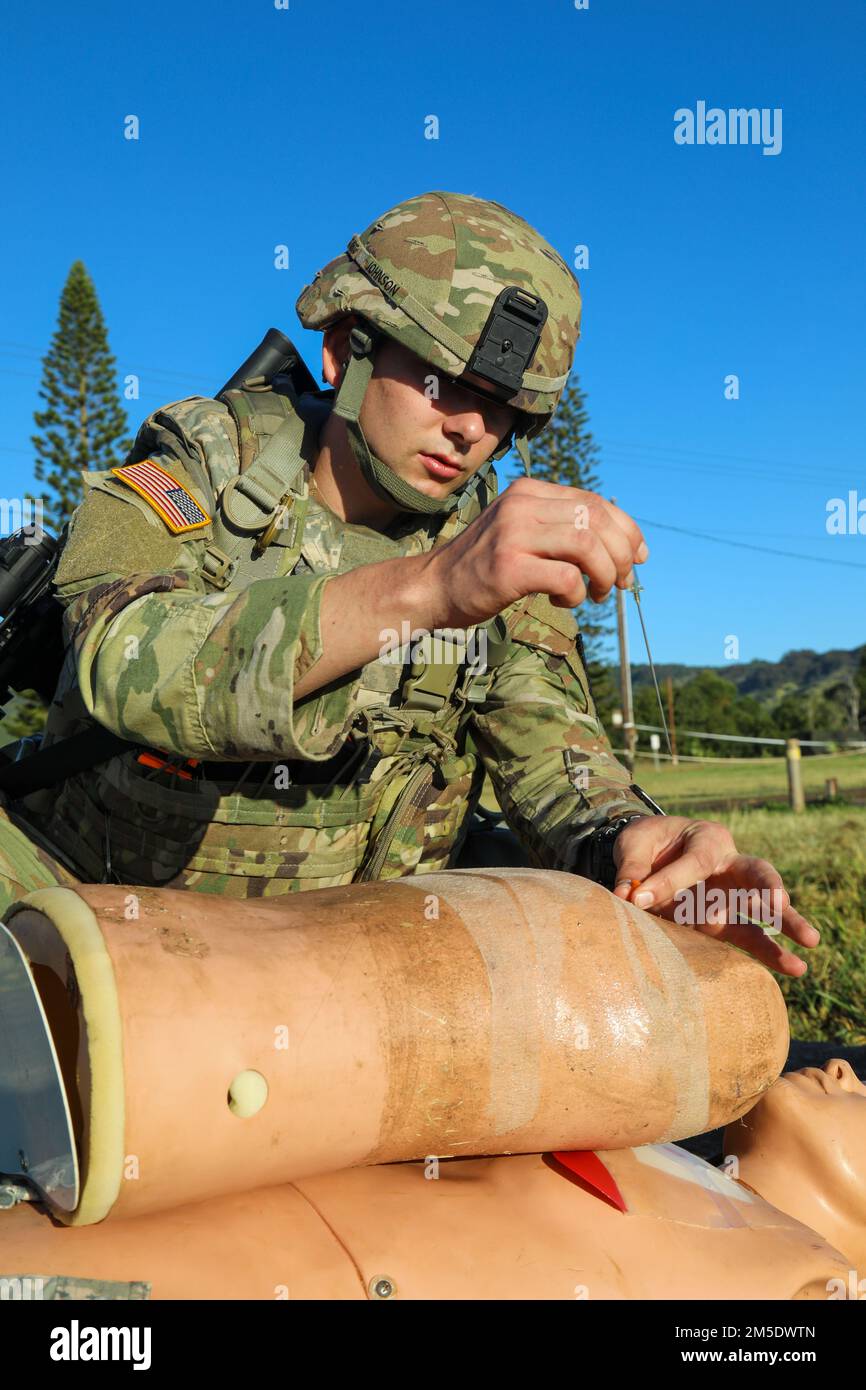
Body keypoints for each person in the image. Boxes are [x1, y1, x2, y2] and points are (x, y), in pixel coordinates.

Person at [0, 190, 817, 976]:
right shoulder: (202, 465)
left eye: (501, 407)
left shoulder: (491, 548)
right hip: (88, 918)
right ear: (344, 348)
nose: (469, 426)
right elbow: (128, 663)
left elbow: (549, 753)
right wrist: (430, 589)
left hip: (344, 969)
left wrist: (638, 842)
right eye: (443, 381)